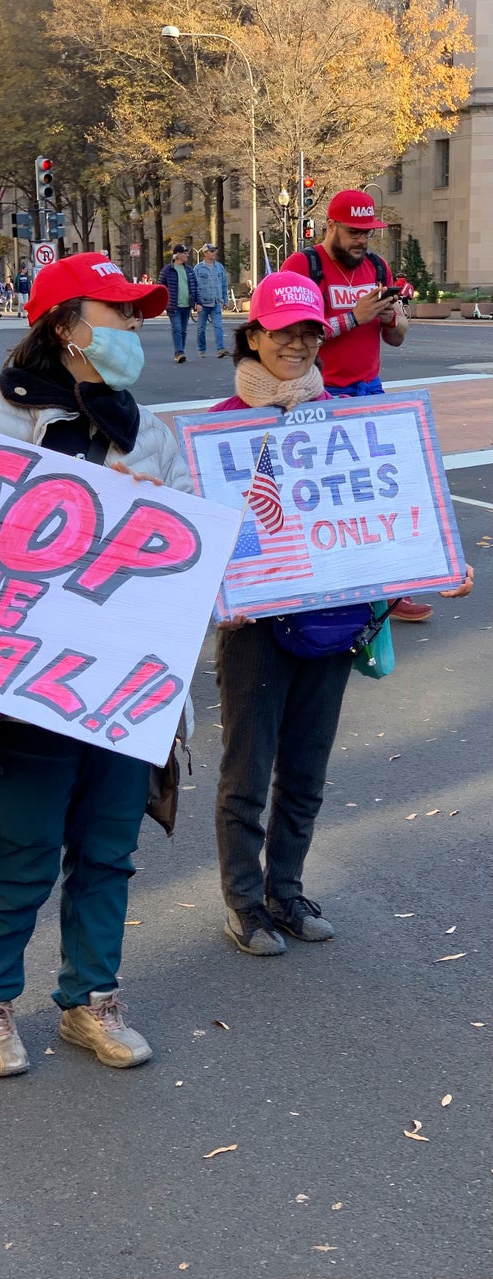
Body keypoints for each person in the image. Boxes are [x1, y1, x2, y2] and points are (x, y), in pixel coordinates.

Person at [0, 251, 191, 1077]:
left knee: (108, 851)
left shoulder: (149, 433)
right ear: (67, 327)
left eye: (137, 314)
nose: (134, 329)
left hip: (129, 691)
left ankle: (93, 999)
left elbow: (193, 560)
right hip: (31, 691)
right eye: (119, 313)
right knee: (21, 849)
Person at [212, 271, 474, 959]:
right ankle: (244, 903)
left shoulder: (353, 421)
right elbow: (215, 537)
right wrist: (226, 587)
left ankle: (286, 891)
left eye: (306, 332)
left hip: (332, 619)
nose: (294, 344)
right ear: (254, 335)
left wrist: (443, 561)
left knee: (305, 770)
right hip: (258, 628)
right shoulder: (222, 429)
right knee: (247, 771)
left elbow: (387, 514)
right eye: (280, 331)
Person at [282, 190, 426, 622]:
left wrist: (393, 319)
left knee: (382, 497)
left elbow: (396, 337)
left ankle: (390, 592)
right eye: (354, 232)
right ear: (330, 226)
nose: (362, 240)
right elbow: (290, 338)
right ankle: (326, 589)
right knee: (323, 501)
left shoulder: (378, 268)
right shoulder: (302, 267)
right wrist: (353, 317)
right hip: (321, 396)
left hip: (370, 392)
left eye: (368, 232)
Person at [158, 244, 201, 363]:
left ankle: (181, 350)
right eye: (184, 253)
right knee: (176, 328)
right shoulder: (167, 270)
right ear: (177, 255)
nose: (187, 255)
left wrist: (198, 302)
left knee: (183, 330)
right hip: (173, 305)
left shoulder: (189, 270)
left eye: (187, 253)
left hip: (187, 305)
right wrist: (162, 303)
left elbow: (195, 288)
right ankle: (179, 353)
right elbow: (160, 287)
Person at [194, 243, 230, 358]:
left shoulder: (219, 267)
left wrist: (225, 299)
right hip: (203, 303)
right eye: (211, 251)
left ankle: (220, 349)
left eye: (214, 251)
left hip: (216, 302)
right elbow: (194, 286)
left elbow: (224, 284)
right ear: (205, 253)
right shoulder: (198, 268)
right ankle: (201, 349)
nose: (214, 253)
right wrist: (195, 302)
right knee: (201, 329)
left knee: (218, 326)